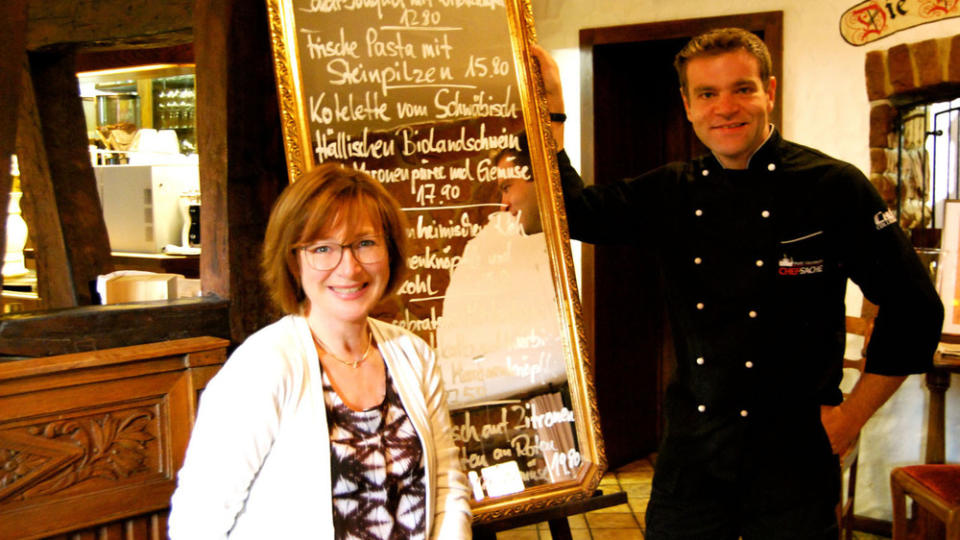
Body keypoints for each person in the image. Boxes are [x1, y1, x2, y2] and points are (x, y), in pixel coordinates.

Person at [531, 28, 943, 539]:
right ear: (687, 105)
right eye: (707, 94)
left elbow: (916, 310)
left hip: (793, 459)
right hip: (692, 457)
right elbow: (572, 211)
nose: (725, 107)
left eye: (742, 89)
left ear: (769, 91)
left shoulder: (833, 187)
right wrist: (550, 109)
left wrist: (849, 418)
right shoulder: (672, 190)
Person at [168, 163, 473, 539]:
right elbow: (196, 523)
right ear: (294, 262)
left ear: (389, 251)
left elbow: (447, 488)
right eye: (323, 248)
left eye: (365, 243)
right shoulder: (262, 367)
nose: (349, 267)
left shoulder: (414, 356)